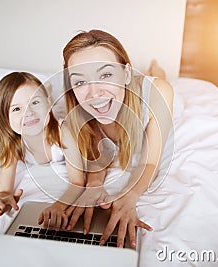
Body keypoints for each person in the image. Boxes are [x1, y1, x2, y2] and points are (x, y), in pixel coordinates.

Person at [60, 29, 174, 248]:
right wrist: (94, 183)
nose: (94, 94)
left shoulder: (157, 93)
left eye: (105, 75)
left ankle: (155, 67)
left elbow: (150, 161)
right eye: (80, 82)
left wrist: (128, 197)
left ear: (126, 73)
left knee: (162, 78)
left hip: (153, 93)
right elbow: (98, 151)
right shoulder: (79, 107)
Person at [0, 72, 85, 230]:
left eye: (34, 103)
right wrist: (2, 197)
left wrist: (59, 206)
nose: (28, 113)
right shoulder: (14, 142)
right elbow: (4, 189)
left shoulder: (64, 132)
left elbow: (77, 182)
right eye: (16, 109)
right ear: (4, 119)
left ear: (48, 104)